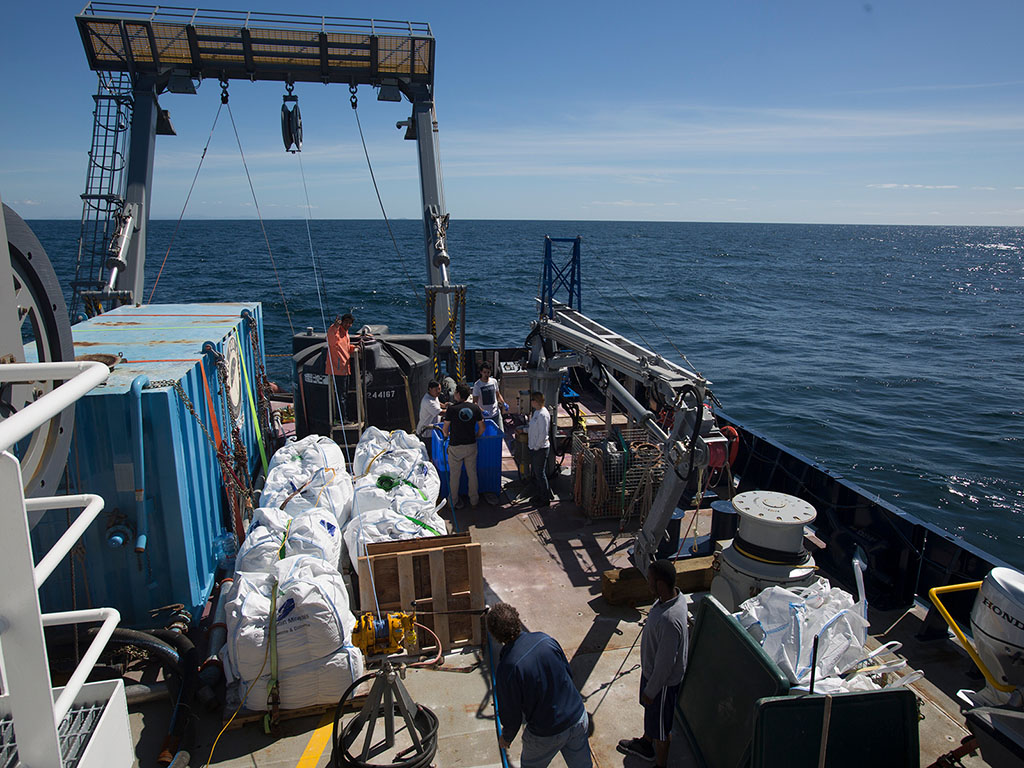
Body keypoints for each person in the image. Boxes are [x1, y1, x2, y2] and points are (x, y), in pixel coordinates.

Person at [487, 603, 592, 768]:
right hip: (577, 718)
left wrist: (506, 737)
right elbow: (567, 673)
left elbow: (511, 711)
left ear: (495, 635)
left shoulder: (508, 668)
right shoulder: (545, 639)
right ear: (517, 620)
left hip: (546, 733)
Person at [617, 559, 689, 767]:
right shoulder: (670, 598)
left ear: (659, 584)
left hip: (662, 685)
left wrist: (651, 690)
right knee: (653, 718)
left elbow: (666, 664)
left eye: (649, 579)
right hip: (652, 676)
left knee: (662, 729)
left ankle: (660, 764)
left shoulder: (669, 620)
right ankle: (646, 743)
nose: (646, 582)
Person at [443, 382, 484, 509]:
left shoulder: (451, 409)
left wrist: (447, 435)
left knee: (454, 476)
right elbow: (482, 427)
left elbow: (445, 429)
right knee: (472, 474)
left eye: (455, 392)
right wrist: (476, 435)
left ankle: (453, 502)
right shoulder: (475, 408)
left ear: (459, 394)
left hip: (456, 446)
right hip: (471, 445)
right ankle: (474, 501)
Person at [325, 313, 370, 423]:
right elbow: (331, 340)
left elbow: (344, 347)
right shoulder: (335, 331)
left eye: (350, 323)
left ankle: (344, 418)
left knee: (344, 395)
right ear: (342, 322)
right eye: (346, 322)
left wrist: (354, 348)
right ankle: (340, 419)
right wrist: (334, 327)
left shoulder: (346, 334)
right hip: (338, 369)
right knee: (341, 396)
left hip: (345, 369)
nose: (348, 325)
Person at [527, 391, 552, 506]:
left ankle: (545, 498)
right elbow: (533, 428)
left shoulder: (543, 414)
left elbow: (543, 433)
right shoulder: (536, 412)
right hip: (534, 448)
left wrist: (536, 447)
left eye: (532, 400)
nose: (530, 402)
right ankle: (539, 494)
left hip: (540, 449)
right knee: (537, 474)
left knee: (540, 474)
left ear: (536, 401)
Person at [472, 362, 507, 431]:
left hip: (496, 414)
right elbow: (475, 402)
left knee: (500, 432)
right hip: (484, 417)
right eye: (484, 372)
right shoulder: (477, 385)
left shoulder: (494, 381)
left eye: (488, 372)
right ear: (481, 372)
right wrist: (482, 411)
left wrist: (504, 403)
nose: (486, 374)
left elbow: (498, 394)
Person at [416, 379, 447, 457]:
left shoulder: (433, 396)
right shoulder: (428, 401)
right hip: (426, 434)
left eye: (439, 389)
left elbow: (437, 403)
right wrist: (456, 410)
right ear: (430, 389)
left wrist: (443, 405)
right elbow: (441, 413)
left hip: (433, 431)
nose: (438, 391)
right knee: (430, 455)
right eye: (436, 389)